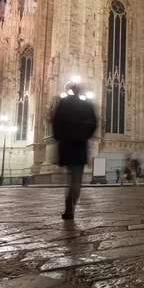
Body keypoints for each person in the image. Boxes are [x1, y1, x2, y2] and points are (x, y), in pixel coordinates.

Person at [52, 83, 97, 219]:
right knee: (76, 180)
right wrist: (85, 136)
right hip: (80, 145)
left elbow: (55, 123)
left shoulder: (63, 103)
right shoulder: (86, 105)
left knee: (69, 175)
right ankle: (70, 205)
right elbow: (93, 124)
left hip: (66, 145)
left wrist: (59, 139)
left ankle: (68, 203)